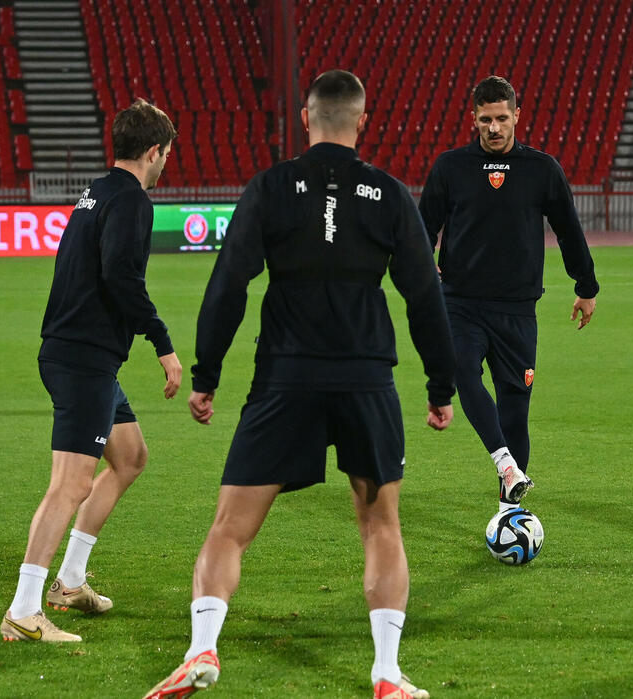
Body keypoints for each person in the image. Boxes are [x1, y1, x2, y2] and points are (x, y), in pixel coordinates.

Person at [145, 70, 455, 699]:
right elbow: (425, 297)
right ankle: (387, 673)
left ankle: (202, 648)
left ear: (305, 117)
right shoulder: (391, 195)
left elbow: (229, 284)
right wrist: (440, 386)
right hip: (365, 377)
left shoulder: (270, 187)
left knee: (229, 529)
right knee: (381, 526)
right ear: (361, 121)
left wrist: (206, 375)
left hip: (285, 377)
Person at [0, 99, 182, 642]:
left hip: (81, 353)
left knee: (129, 457)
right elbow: (121, 275)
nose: (165, 163)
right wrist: (163, 343)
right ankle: (23, 609)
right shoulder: (132, 200)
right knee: (72, 483)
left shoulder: (96, 191)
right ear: (154, 151)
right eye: (166, 154)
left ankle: (70, 581)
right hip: (83, 359)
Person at [418, 75, 598, 512]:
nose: (494, 128)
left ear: (517, 115)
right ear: (473, 118)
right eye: (486, 120)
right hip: (460, 301)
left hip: (517, 308)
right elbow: (423, 227)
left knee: (515, 406)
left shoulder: (542, 169)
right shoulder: (450, 167)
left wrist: (586, 286)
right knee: (461, 370)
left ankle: (509, 511)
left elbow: (569, 230)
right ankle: (505, 464)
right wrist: (423, 265)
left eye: (501, 118)